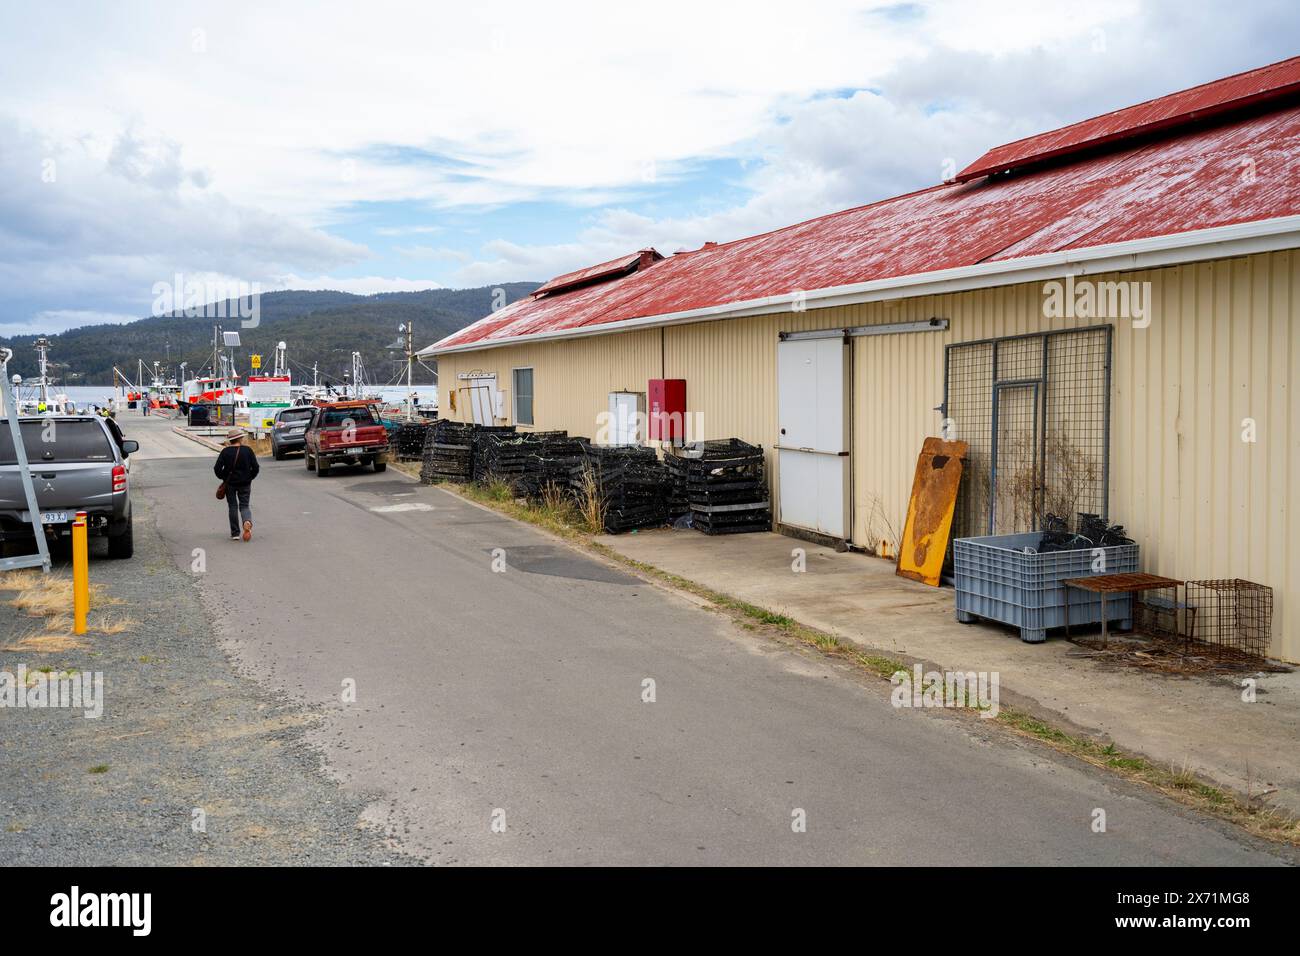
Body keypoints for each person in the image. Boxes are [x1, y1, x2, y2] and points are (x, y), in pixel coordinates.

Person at [214, 427, 259, 541]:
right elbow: (256, 467)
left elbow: (217, 468)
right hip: (245, 483)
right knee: (244, 505)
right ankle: (247, 521)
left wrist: (223, 477)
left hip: (230, 484)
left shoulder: (225, 452)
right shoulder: (247, 450)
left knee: (232, 506)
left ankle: (235, 533)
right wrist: (249, 477)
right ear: (240, 438)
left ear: (231, 440)